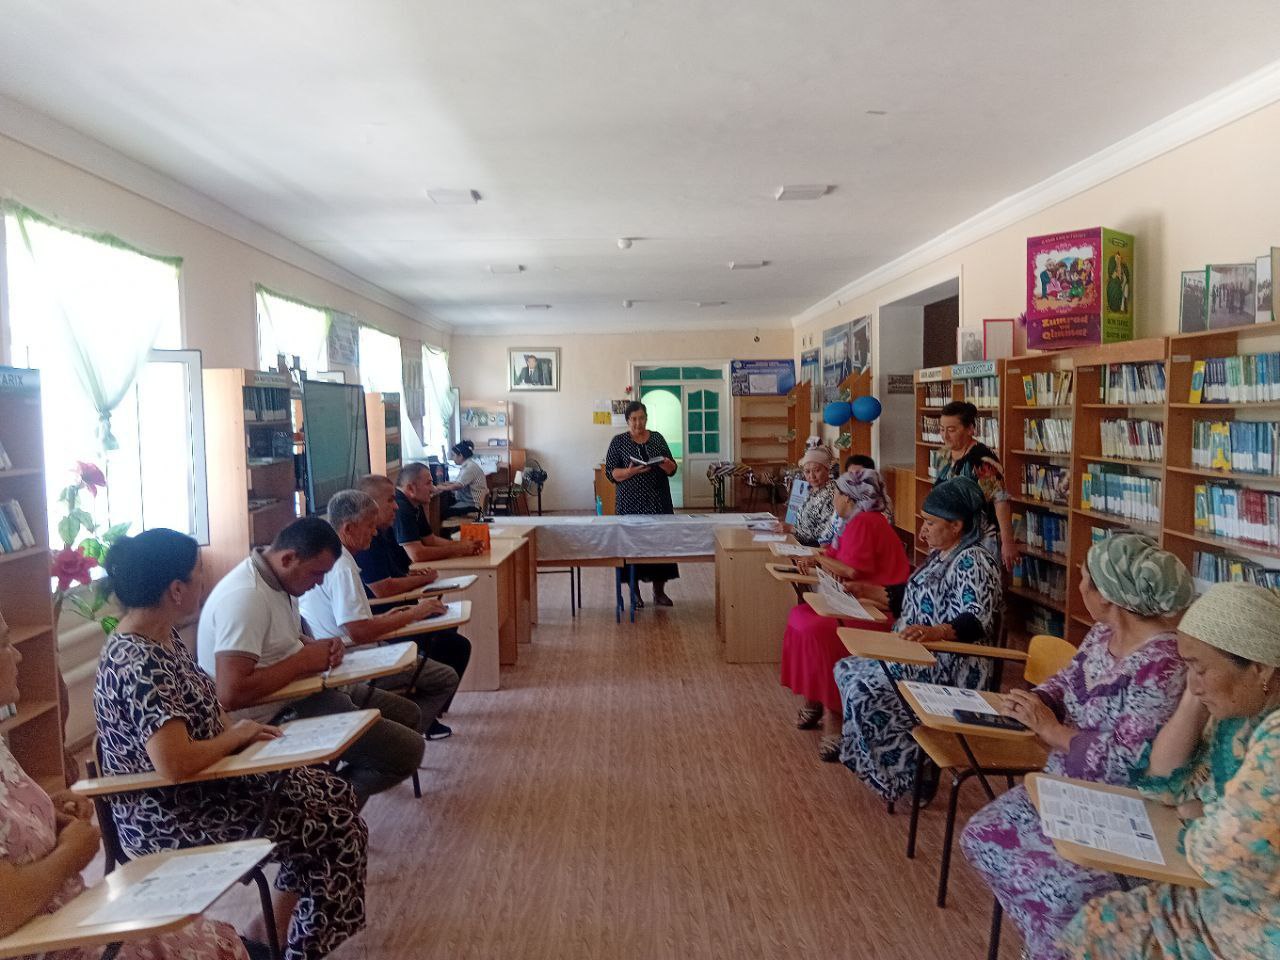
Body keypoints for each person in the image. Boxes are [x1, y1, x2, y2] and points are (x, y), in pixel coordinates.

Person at [94, 529, 367, 960]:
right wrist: (236, 737)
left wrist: (244, 740)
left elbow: (205, 714)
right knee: (336, 827)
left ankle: (272, 937)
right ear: (176, 590)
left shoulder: (162, 638)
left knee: (335, 795)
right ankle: (292, 947)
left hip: (208, 785)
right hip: (170, 813)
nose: (204, 582)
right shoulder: (138, 659)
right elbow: (174, 762)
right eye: (198, 574)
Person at [960, 534, 1193, 960]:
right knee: (980, 835)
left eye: (1085, 577)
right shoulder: (1102, 635)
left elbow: (1128, 761)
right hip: (1065, 784)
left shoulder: (1164, 665)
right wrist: (1034, 702)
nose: (1078, 584)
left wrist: (1051, 731)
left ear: (1108, 596)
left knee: (1057, 888)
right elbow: (1068, 680)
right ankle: (1049, 944)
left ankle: (1058, 947)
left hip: (1123, 805)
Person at [1060, 582, 1280, 959]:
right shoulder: (1240, 712)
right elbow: (1165, 788)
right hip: (1212, 893)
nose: (1190, 683)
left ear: (1260, 669)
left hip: (1257, 920)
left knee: (1102, 930)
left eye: (1200, 668)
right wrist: (1194, 701)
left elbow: (1223, 858)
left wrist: (1200, 816)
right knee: (1096, 923)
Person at [0, 629, 251, 960]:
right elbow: (5, 909)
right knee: (218, 949)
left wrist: (47, 813)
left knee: (218, 938)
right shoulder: (137, 659)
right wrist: (72, 852)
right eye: (4, 643)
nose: (18, 654)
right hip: (49, 942)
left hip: (69, 916)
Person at [196, 517, 424, 806]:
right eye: (316, 574)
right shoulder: (246, 597)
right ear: (288, 558)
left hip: (303, 691)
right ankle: (320, 808)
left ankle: (324, 800)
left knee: (407, 713)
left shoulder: (281, 580)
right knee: (406, 751)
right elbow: (230, 693)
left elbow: (282, 641)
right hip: (268, 718)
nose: (319, 584)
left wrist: (318, 647)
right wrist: (302, 661)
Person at [834, 477, 1003, 801]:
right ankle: (902, 761)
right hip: (918, 653)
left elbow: (975, 619)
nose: (923, 531)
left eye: (930, 523)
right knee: (846, 669)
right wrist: (865, 591)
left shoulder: (974, 561)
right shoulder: (943, 555)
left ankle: (909, 770)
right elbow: (912, 596)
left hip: (949, 665)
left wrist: (937, 631)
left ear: (956, 525)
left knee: (864, 690)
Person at [300, 489, 460, 740]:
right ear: (349, 528)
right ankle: (401, 738)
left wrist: (388, 617)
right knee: (445, 678)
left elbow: (351, 623)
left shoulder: (335, 558)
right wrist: (415, 613)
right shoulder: (341, 567)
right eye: (370, 526)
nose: (375, 533)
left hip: (352, 649)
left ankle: (400, 731)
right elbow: (359, 633)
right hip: (355, 658)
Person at [780, 468, 911, 761]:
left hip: (878, 610)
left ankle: (834, 716)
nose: (834, 499)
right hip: (859, 602)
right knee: (801, 616)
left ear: (850, 498)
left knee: (819, 631)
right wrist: (816, 559)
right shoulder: (853, 522)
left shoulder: (866, 522)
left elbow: (851, 571)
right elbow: (837, 558)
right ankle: (815, 697)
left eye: (838, 493)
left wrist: (817, 559)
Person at [353, 475, 473, 701]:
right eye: (390, 500)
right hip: (386, 619)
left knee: (448, 626)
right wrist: (424, 580)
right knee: (455, 646)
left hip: (398, 610)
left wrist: (413, 576)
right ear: (371, 504)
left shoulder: (384, 532)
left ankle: (428, 703)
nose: (396, 506)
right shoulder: (366, 542)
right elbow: (383, 589)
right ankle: (423, 707)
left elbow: (400, 570)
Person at [603, 400, 679, 607]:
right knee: (632, 547)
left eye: (642, 418)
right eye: (634, 419)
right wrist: (630, 471)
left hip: (658, 502)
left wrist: (667, 464)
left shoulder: (657, 438)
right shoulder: (618, 441)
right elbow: (611, 473)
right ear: (627, 420)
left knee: (660, 546)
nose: (638, 423)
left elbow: (672, 469)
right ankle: (634, 593)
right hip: (630, 504)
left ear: (647, 418)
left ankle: (659, 592)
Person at [934, 400, 1016, 571]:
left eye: (951, 430)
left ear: (970, 429)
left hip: (979, 538)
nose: (945, 436)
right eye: (942, 429)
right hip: (948, 535)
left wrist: (1007, 541)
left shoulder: (980, 459)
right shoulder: (943, 454)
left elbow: (1000, 500)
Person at [393, 462, 484, 563]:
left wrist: (464, 545)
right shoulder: (401, 508)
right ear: (411, 488)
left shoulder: (415, 503)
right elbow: (417, 554)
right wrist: (459, 549)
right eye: (428, 483)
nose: (433, 489)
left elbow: (431, 540)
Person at [789, 445, 838, 547]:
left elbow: (824, 532)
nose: (811, 476)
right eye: (807, 471)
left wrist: (792, 529)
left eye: (816, 470)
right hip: (799, 542)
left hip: (816, 548)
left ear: (827, 470)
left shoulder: (832, 494)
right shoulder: (808, 489)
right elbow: (796, 519)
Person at [436, 440, 489, 518]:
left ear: (460, 456)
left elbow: (458, 486)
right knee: (447, 503)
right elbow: (459, 482)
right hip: (471, 502)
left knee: (443, 513)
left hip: (473, 505)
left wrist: (439, 487)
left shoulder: (469, 467)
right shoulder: (468, 465)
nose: (452, 458)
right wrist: (446, 484)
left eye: (453, 455)